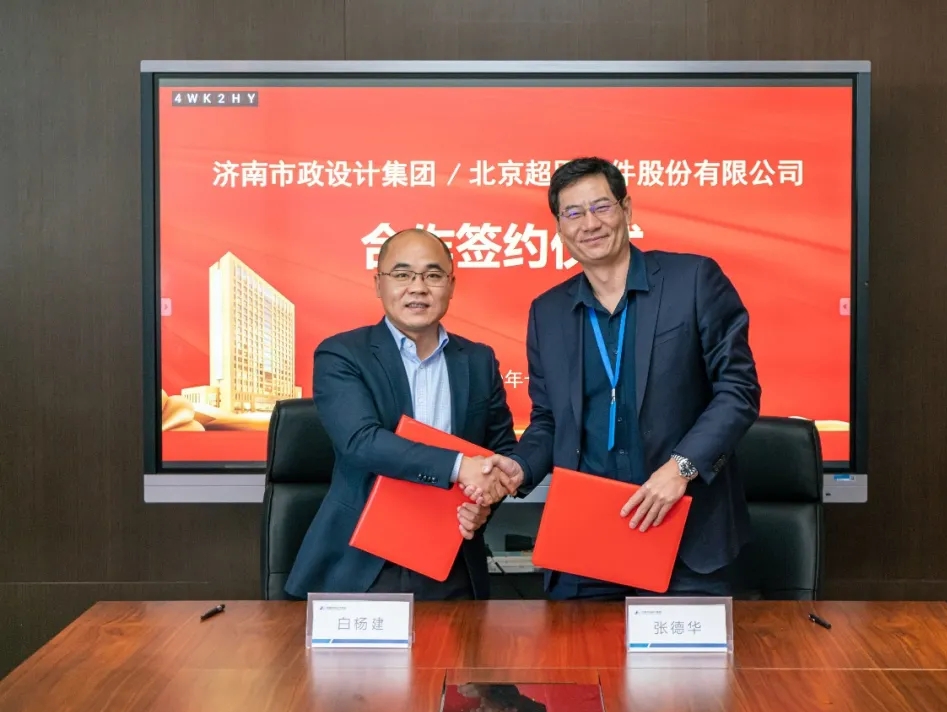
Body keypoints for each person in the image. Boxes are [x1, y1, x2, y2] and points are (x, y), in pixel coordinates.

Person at [473, 156, 761, 600]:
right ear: (559, 228)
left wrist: (681, 468)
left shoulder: (692, 280)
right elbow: (549, 420)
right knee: (578, 648)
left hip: (685, 536)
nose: (589, 223)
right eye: (573, 213)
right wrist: (521, 465)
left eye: (601, 207)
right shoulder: (548, 312)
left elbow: (738, 391)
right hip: (587, 542)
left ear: (626, 210)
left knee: (686, 650)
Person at [285, 228, 515, 601]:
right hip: (364, 562)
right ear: (379, 284)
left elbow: (502, 452)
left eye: (433, 275)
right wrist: (459, 466)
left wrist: (483, 504)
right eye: (403, 274)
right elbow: (361, 442)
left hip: (451, 559)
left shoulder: (478, 360)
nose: (418, 288)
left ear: (451, 286)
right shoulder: (342, 354)